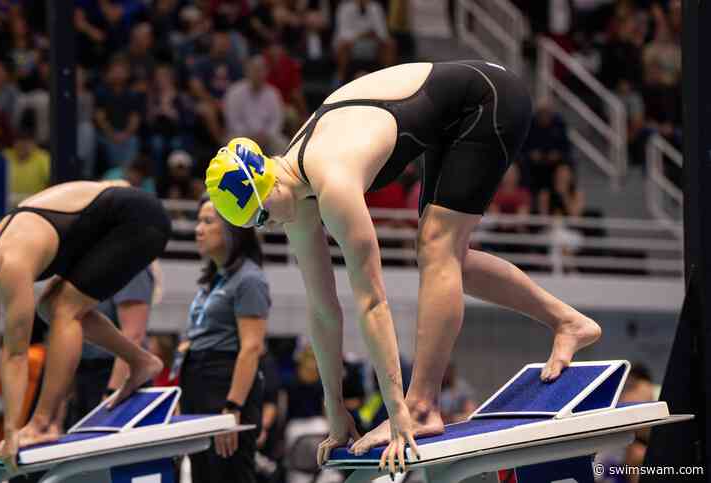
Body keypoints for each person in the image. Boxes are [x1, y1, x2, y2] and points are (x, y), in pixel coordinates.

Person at [205, 60, 602, 474]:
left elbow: (373, 302)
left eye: (261, 218)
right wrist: (336, 410)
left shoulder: (332, 179)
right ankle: (568, 322)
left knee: (437, 249)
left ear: (267, 189)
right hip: (449, 116)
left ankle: (423, 405)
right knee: (448, 262)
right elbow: (323, 310)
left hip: (488, 97)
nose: (268, 227)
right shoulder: (292, 196)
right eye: (256, 224)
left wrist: (400, 415)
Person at [0, 180, 170, 471]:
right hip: (106, 224)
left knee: (63, 310)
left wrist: (11, 433)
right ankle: (142, 361)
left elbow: (15, 353)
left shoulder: (12, 261)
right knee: (54, 306)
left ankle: (40, 424)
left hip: (139, 219)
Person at [178, 195, 269, 483]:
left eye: (207, 221)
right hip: (199, 385)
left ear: (233, 228)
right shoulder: (213, 280)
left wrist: (232, 409)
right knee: (203, 474)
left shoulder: (249, 279)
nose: (198, 229)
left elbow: (251, 347)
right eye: (197, 221)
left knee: (228, 474)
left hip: (225, 387)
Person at [65, 267, 155, 429]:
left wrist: (112, 391)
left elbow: (133, 334)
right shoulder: (90, 265)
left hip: (114, 375)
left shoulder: (132, 267)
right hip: (85, 373)